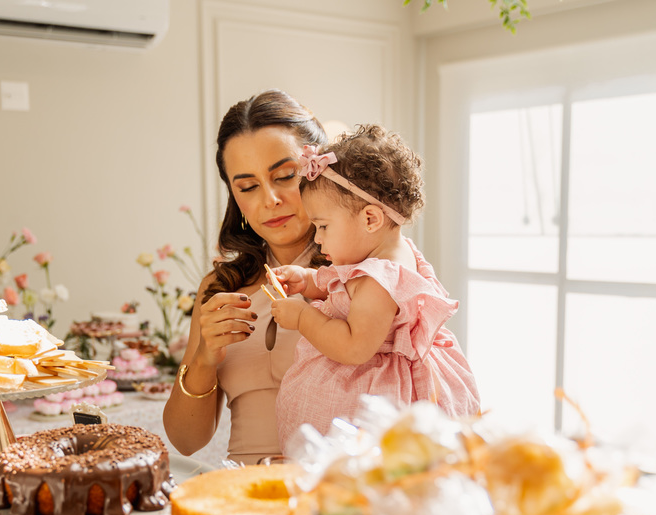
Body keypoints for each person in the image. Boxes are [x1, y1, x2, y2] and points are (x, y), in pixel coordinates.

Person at [268, 124, 480, 451]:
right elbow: (345, 292)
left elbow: (355, 347)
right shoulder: (388, 255)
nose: (318, 237)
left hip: (378, 392)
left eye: (323, 226)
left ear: (370, 219)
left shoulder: (377, 280)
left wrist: (302, 318)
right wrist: (307, 280)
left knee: (355, 461)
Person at [163, 89, 328, 465]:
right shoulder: (221, 287)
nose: (269, 199)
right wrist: (205, 358)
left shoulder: (361, 275)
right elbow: (186, 441)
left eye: (285, 176)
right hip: (244, 498)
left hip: (336, 499)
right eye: (248, 186)